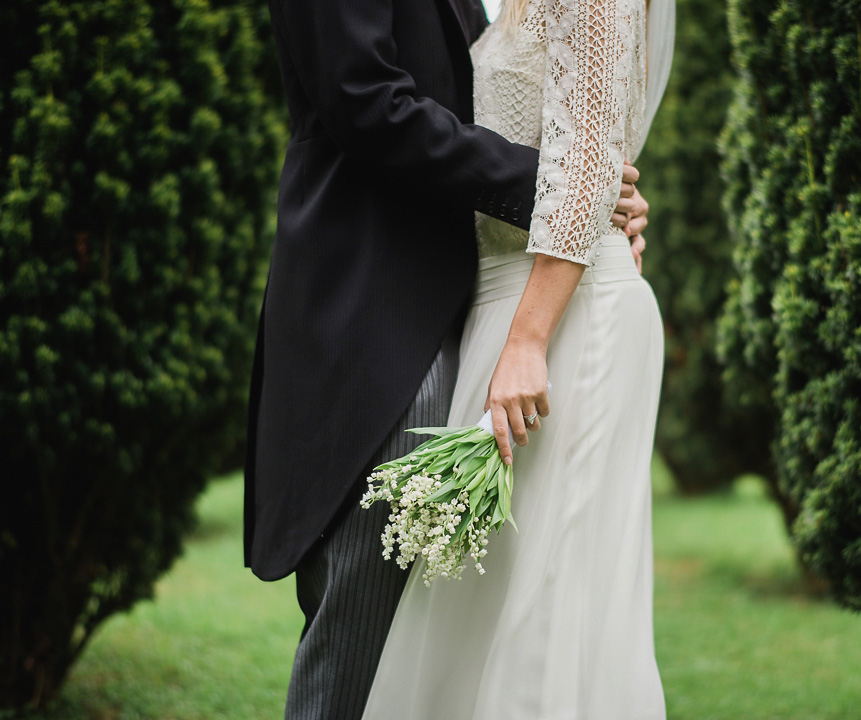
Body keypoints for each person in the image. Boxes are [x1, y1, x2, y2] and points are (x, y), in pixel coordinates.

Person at [243, 0, 650, 718]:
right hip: (373, 322)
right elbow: (365, 101)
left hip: (469, 318)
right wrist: (558, 190)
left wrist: (588, 200)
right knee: (363, 656)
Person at [359, 0, 676, 717]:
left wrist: (529, 342)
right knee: (482, 611)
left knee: (550, 617)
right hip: (501, 304)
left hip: (563, 320)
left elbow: (591, 154)